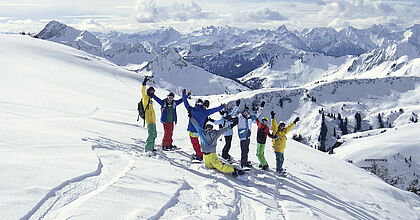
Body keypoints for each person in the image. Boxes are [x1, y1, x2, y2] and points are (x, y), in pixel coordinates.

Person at [189, 112, 244, 177]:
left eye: (210, 128)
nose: (209, 129)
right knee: (209, 167)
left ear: (212, 128)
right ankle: (224, 164)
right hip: (205, 156)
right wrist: (191, 117)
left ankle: (233, 170)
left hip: (212, 154)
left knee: (219, 166)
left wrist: (232, 125)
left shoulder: (215, 133)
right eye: (207, 128)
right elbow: (196, 125)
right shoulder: (202, 133)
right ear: (205, 128)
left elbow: (224, 130)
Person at [182, 89, 225, 161]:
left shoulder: (191, 110)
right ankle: (205, 153)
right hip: (200, 131)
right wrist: (221, 107)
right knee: (202, 143)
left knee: (195, 143)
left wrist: (183, 95)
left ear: (196, 104)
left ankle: (199, 156)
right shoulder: (205, 112)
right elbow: (214, 110)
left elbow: (185, 103)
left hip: (192, 131)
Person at [236, 100, 265, 168]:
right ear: (243, 112)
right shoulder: (240, 118)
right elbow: (233, 116)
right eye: (244, 112)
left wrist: (261, 107)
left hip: (248, 136)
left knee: (247, 150)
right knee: (244, 150)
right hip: (243, 136)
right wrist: (236, 106)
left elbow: (257, 115)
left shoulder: (250, 118)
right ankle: (243, 163)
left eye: (246, 112)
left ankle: (245, 161)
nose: (245, 113)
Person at [141, 76, 157, 154]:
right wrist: (144, 83)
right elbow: (142, 91)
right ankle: (148, 149)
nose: (152, 93)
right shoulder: (145, 98)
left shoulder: (150, 99)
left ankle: (151, 147)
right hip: (149, 119)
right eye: (151, 92)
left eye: (153, 92)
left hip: (153, 120)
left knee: (154, 134)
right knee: (151, 134)